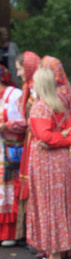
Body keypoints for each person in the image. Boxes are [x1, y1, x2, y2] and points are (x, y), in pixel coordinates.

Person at [25, 66, 71, 259]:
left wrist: (54, 139)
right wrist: (62, 137)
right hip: (61, 160)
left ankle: (53, 256)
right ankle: (57, 252)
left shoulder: (39, 107)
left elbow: (44, 137)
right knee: (59, 204)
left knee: (47, 204)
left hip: (46, 162)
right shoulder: (59, 105)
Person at [9, 51, 39, 246]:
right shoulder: (28, 87)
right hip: (30, 139)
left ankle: (33, 235)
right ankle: (28, 233)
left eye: (20, 69)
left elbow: (31, 120)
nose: (18, 74)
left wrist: (10, 125)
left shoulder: (36, 89)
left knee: (32, 183)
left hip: (35, 139)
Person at [0, 65, 21, 246]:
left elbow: (26, 121)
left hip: (8, 150)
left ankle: (10, 233)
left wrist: (8, 125)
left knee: (9, 190)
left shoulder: (14, 95)